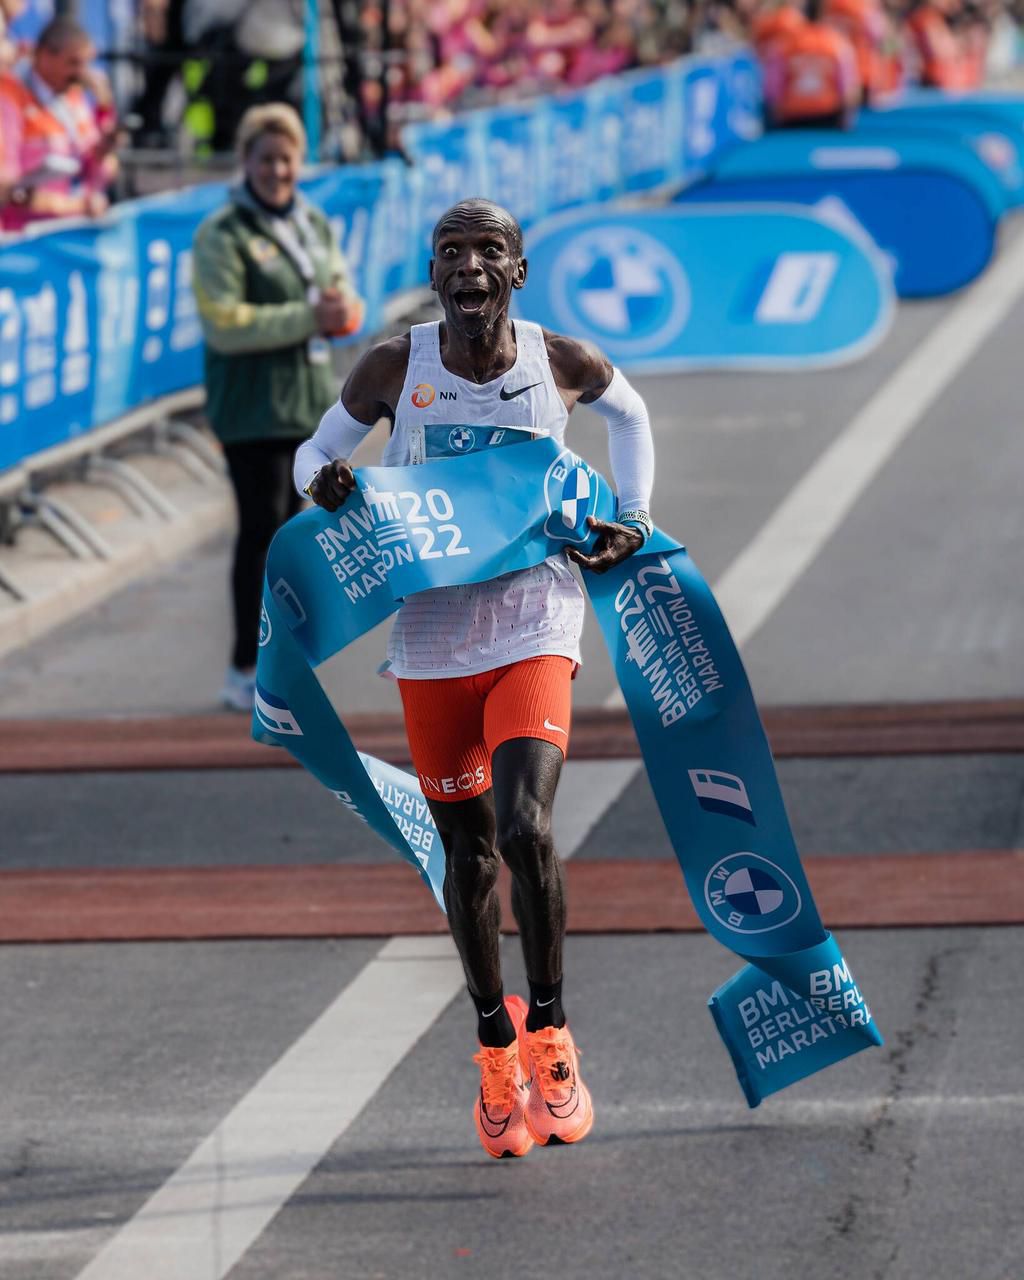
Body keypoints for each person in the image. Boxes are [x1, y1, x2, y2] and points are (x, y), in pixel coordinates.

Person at [293, 198, 654, 1159]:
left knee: (529, 827)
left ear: (517, 272)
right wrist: (321, 483)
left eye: (488, 250)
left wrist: (636, 513)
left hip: (536, 614)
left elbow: (631, 413)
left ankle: (552, 1031)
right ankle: (495, 1046)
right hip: (433, 635)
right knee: (469, 854)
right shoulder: (393, 366)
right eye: (451, 251)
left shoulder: (556, 361)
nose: (469, 265)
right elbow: (315, 451)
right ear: (435, 272)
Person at [192, 102, 364, 711]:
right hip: (252, 407)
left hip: (309, 404)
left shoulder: (312, 223)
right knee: (261, 533)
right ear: (246, 162)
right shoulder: (223, 233)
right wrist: (307, 317)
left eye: (286, 159)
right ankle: (244, 665)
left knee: (299, 538)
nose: (277, 171)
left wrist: (345, 310)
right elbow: (224, 322)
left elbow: (341, 288)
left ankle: (285, 661)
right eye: (266, 159)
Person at [0, 16, 119, 231]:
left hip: (69, 231)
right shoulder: (9, 96)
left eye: (86, 63)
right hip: (23, 238)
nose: (81, 73)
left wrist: (105, 120)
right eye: (73, 63)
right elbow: (6, 187)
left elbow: (101, 167)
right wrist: (75, 206)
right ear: (45, 55)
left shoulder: (73, 95)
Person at [762, 0, 860, 129]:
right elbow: (848, 89)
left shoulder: (784, 45)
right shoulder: (837, 44)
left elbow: (773, 90)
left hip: (793, 118)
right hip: (828, 117)